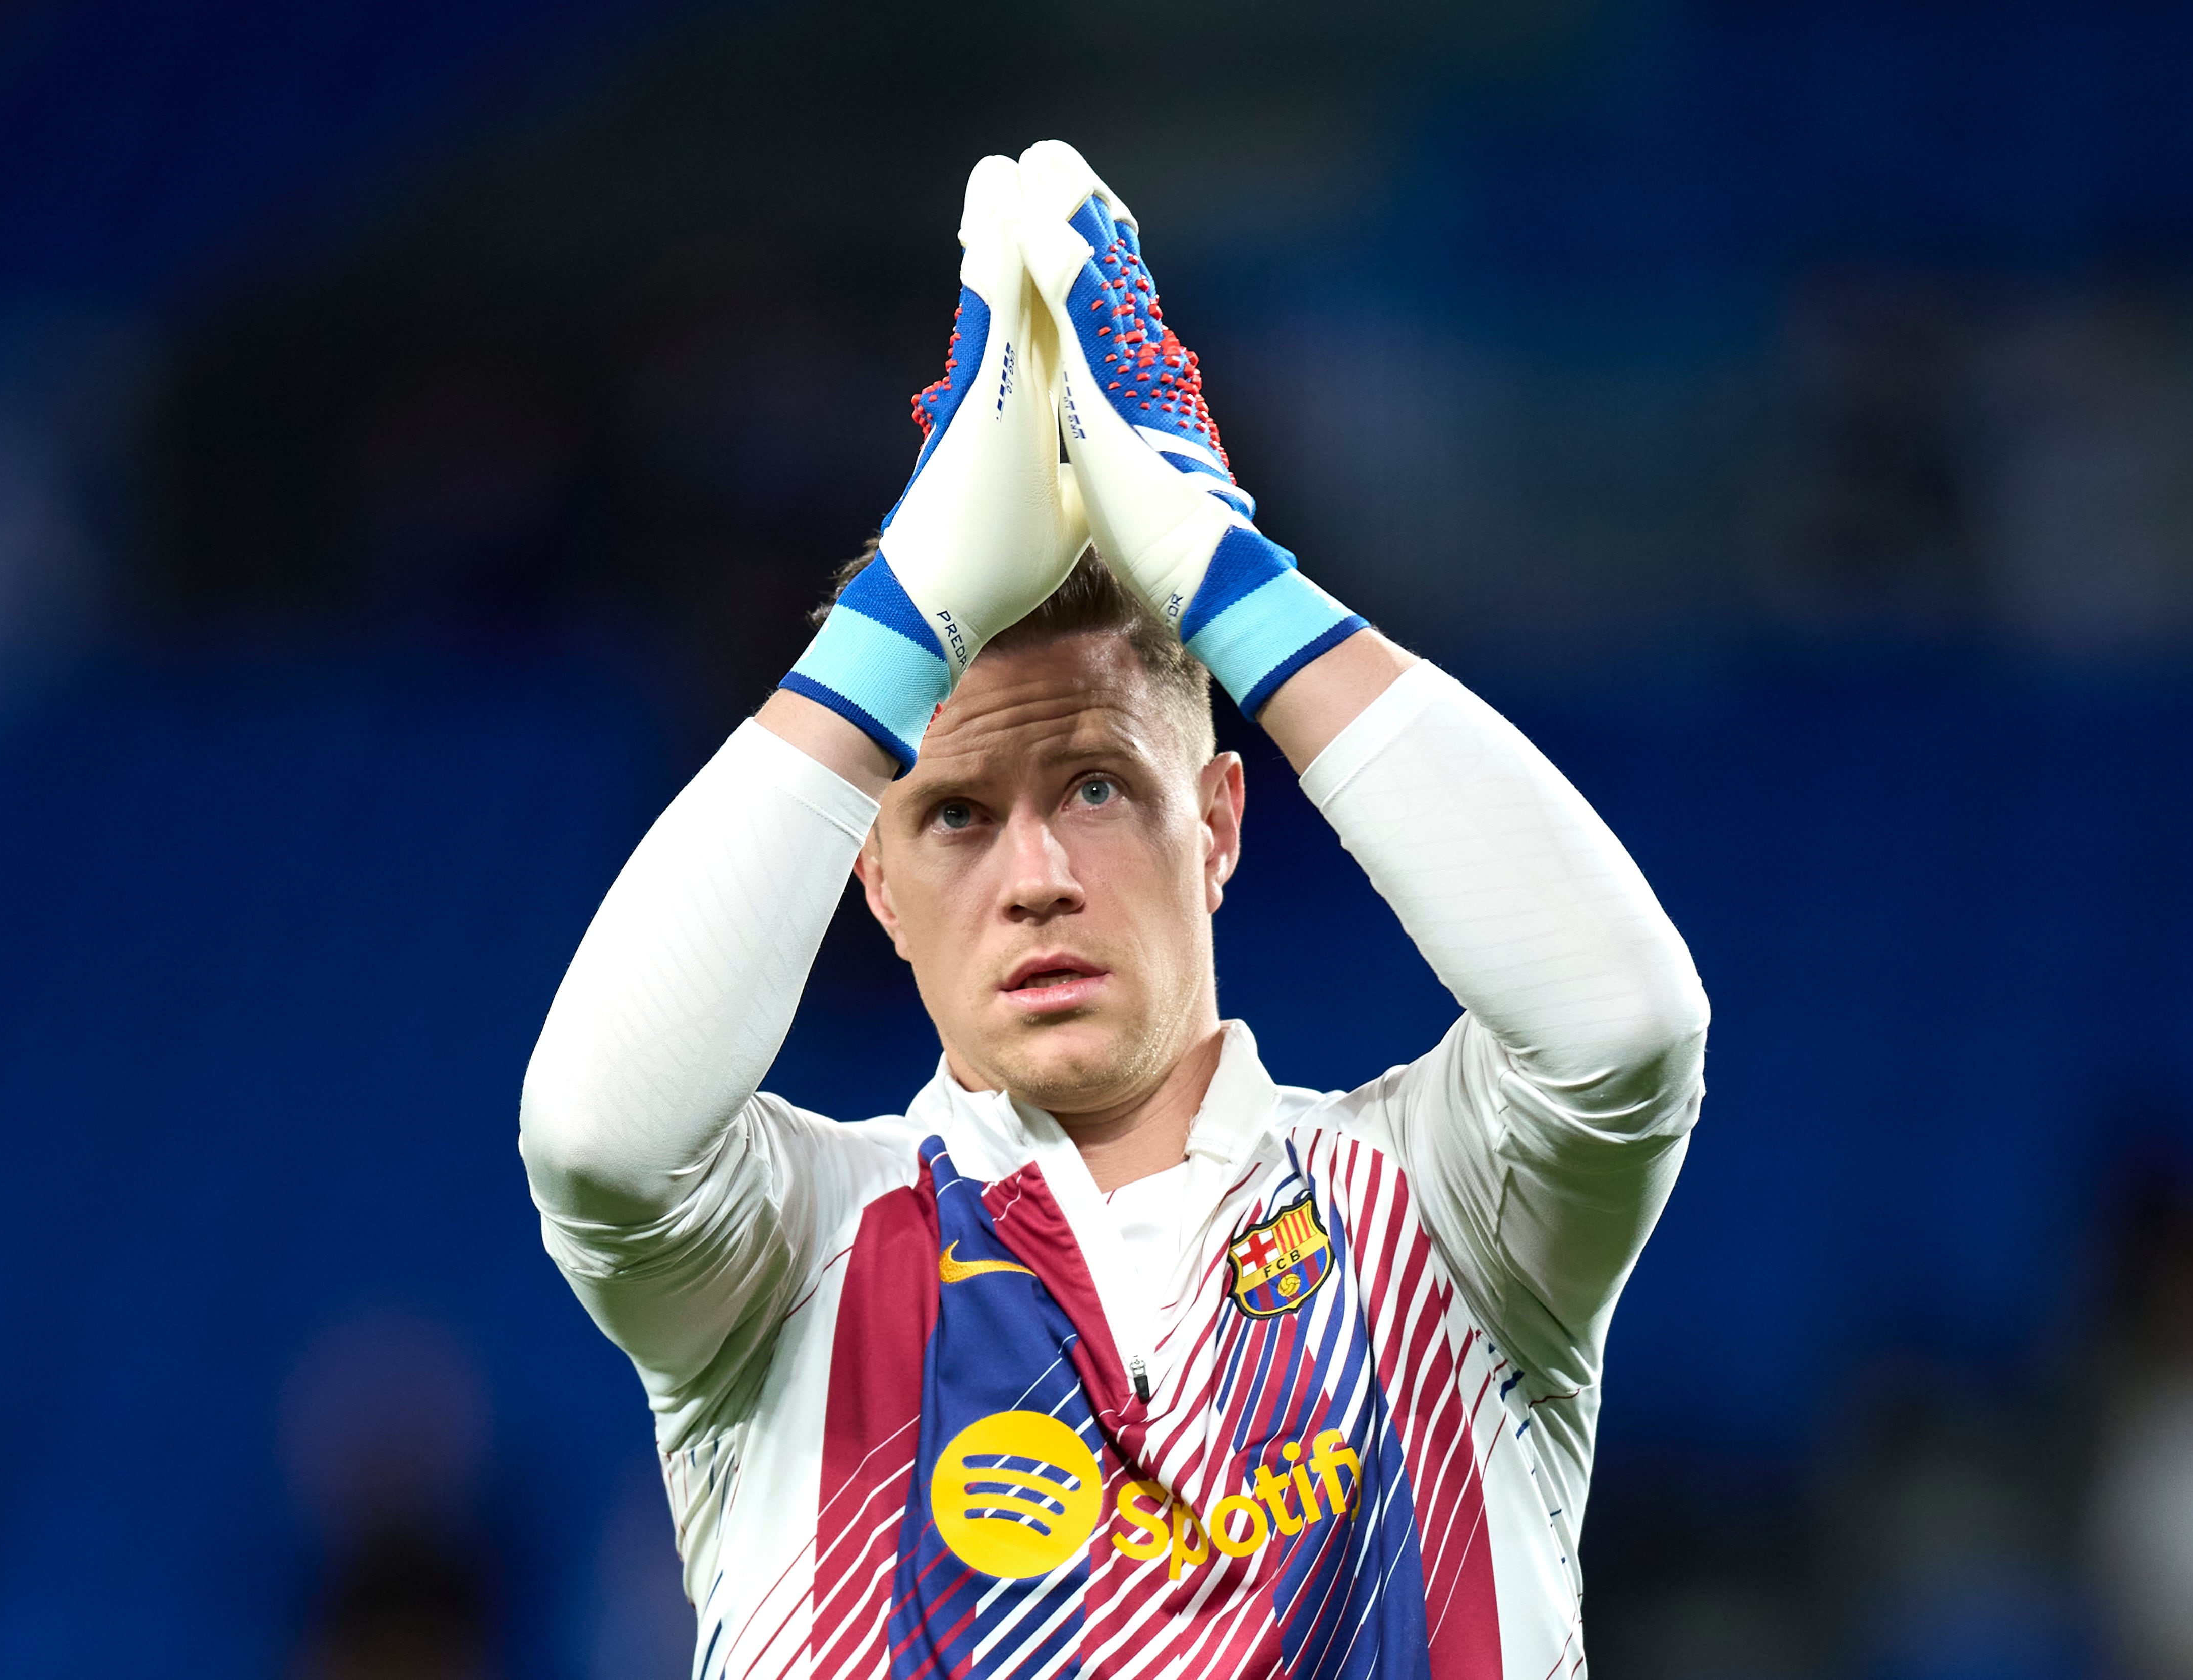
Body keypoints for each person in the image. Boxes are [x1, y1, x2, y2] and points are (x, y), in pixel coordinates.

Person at [520, 141, 1709, 1679]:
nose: (1038, 877)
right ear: (867, 880)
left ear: (1216, 822)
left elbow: (1626, 1027)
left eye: (1094, 788)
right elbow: (596, 1139)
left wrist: (1223, 572)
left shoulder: (1437, 1205)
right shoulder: (799, 1251)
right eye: (954, 815)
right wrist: (916, 601)